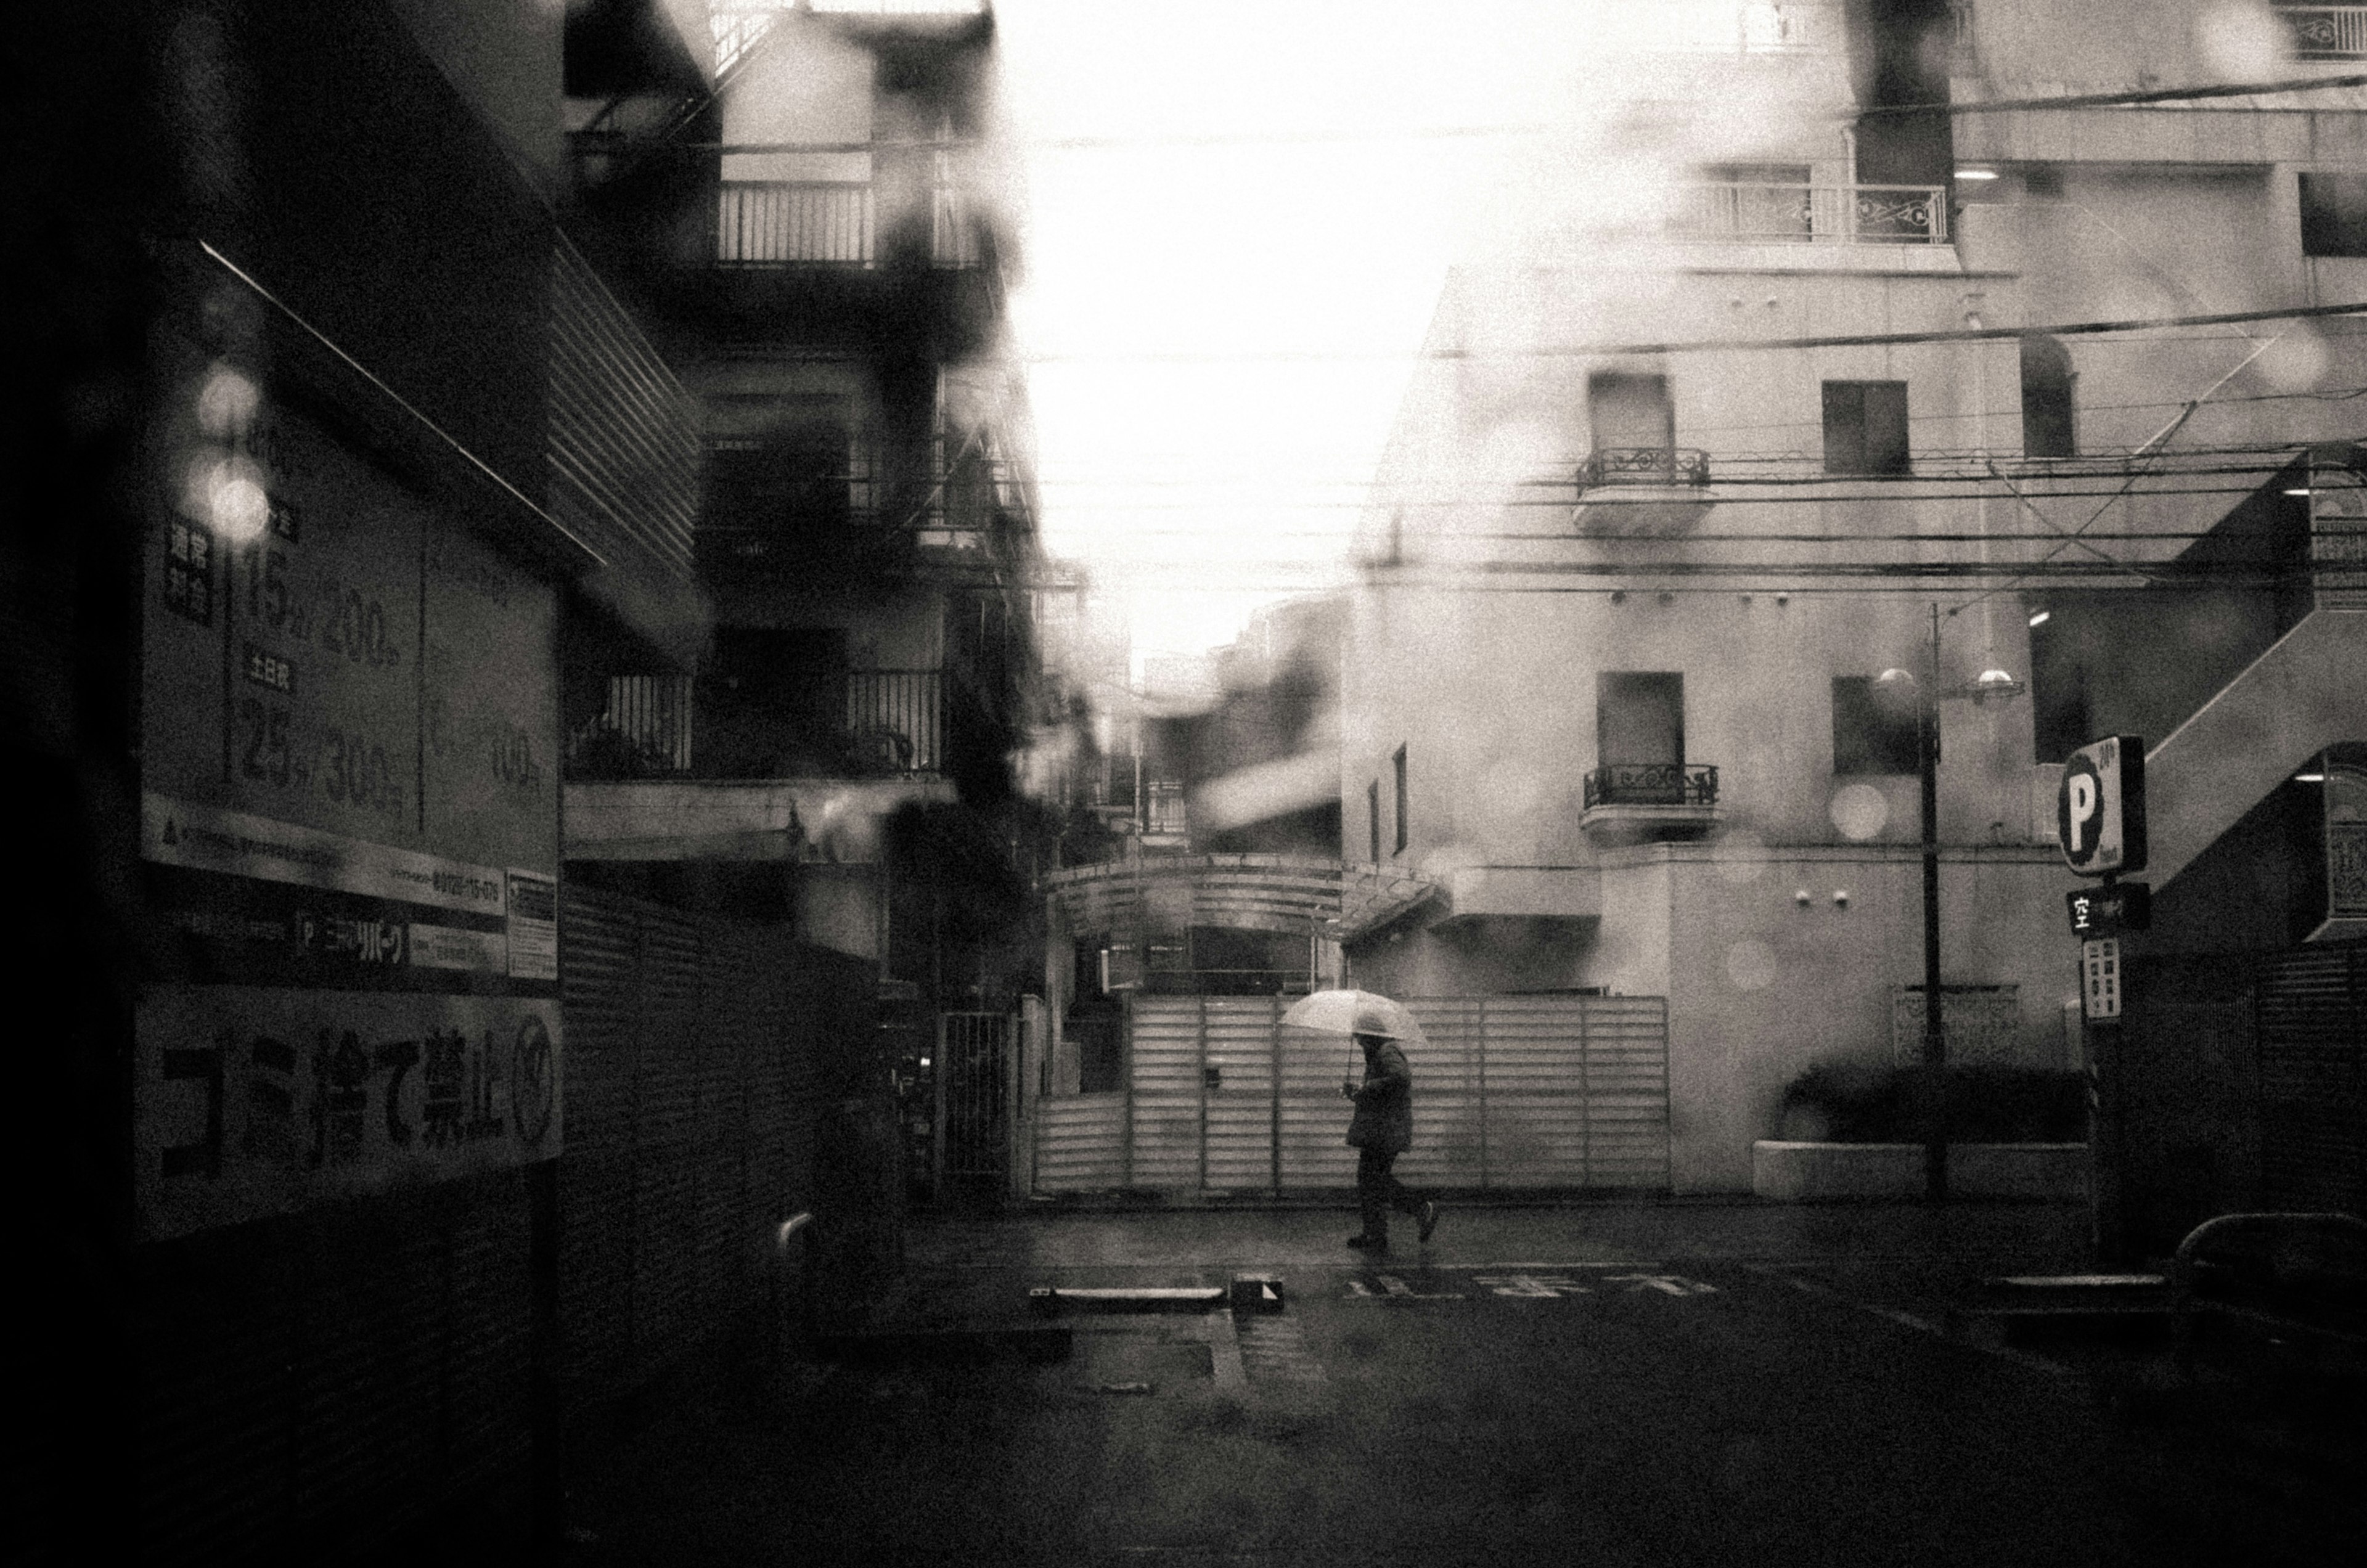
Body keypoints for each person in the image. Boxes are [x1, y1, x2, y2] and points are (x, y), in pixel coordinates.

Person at [1341, 1005, 1437, 1251]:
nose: (1359, 1042)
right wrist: (1358, 1092)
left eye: (1360, 1037)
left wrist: (1367, 1088)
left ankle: (1420, 1208)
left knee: (1374, 1180)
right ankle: (1375, 1235)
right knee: (1370, 1181)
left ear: (1370, 1034)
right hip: (1380, 1129)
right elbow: (1381, 1090)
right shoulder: (1379, 1053)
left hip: (1386, 1129)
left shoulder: (1387, 1051)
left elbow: (1400, 1079)